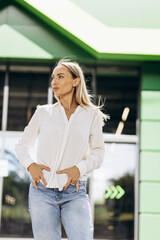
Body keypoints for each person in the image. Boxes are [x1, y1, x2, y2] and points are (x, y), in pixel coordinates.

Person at [15, 58, 109, 240]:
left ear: (76, 81)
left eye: (60, 77)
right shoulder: (43, 112)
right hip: (41, 191)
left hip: (74, 192)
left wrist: (79, 168)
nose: (54, 82)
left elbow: (98, 153)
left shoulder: (91, 115)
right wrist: (30, 165)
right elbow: (21, 146)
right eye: (52, 78)